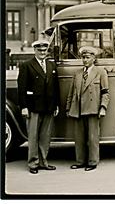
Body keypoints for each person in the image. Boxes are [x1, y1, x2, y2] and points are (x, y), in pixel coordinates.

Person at [17, 39, 60, 174]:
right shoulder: (27, 65)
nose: (42, 52)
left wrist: (57, 104)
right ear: (34, 50)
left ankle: (43, 162)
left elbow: (55, 87)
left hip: (49, 106)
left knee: (45, 137)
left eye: (44, 50)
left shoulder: (51, 65)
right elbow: (22, 88)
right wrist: (23, 106)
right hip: (33, 106)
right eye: (39, 50)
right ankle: (33, 163)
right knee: (33, 137)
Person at [66, 46, 110, 171]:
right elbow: (71, 92)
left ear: (93, 58)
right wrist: (68, 108)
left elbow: (105, 92)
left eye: (87, 57)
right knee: (79, 138)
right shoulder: (78, 73)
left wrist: (103, 107)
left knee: (92, 138)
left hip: (93, 109)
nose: (85, 60)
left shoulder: (100, 72)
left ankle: (92, 162)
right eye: (83, 57)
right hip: (78, 109)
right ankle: (80, 161)